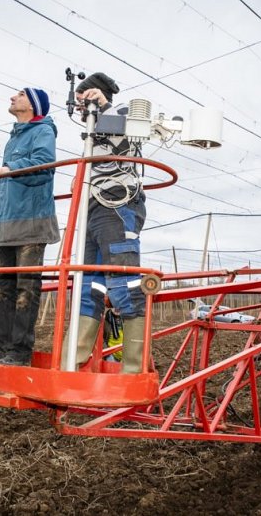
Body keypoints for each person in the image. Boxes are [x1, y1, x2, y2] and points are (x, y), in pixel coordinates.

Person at [61, 72, 148, 374]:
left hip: (118, 204)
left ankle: (133, 370)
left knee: (125, 284)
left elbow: (128, 144)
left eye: (88, 98)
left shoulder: (122, 115)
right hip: (92, 208)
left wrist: (105, 109)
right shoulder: (90, 132)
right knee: (88, 286)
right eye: (81, 101)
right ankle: (71, 363)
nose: (83, 106)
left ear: (101, 95)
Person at [0, 88, 59, 366]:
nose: (12, 97)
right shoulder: (13, 139)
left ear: (34, 105)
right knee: (3, 289)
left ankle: (20, 352)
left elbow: (43, 165)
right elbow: (8, 182)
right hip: (6, 224)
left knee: (26, 287)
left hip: (31, 223)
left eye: (20, 95)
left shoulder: (43, 132)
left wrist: (7, 168)